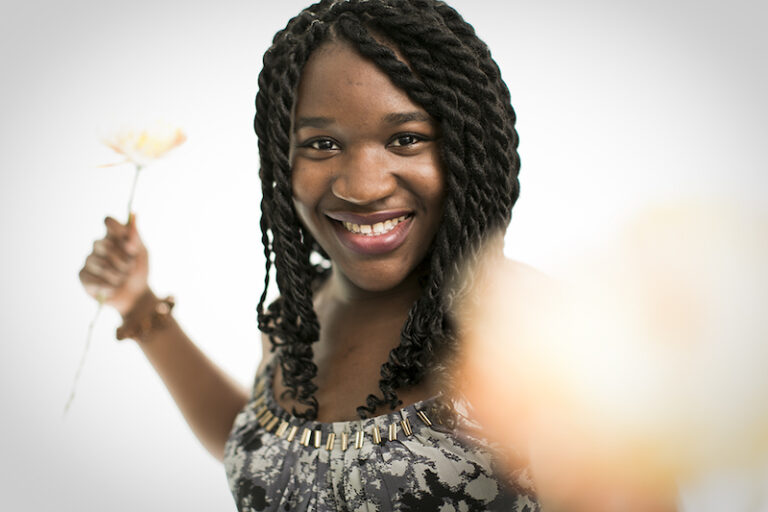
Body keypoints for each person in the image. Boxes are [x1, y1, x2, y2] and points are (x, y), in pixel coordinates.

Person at [80, 0, 539, 510]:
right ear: (282, 159)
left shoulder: (535, 330)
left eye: (405, 139)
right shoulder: (298, 318)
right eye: (321, 144)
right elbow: (272, 459)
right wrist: (136, 302)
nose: (363, 188)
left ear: (467, 148)